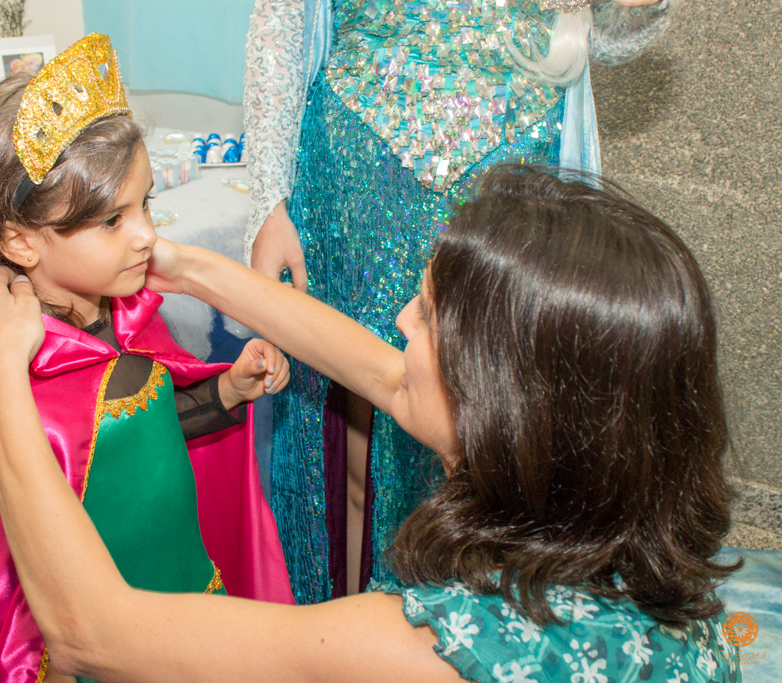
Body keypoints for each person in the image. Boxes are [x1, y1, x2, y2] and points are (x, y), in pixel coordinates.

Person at [0, 168, 742, 683]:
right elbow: (383, 373)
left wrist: (2, 380)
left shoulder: (435, 647)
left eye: (428, 316)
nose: (399, 319)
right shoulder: (621, 530)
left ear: (504, 400)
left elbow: (93, 633)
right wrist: (183, 266)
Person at [243, 0, 677, 601]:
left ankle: (474, 638)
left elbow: (616, 36)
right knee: (349, 445)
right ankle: (341, 638)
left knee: (500, 436)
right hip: (359, 161)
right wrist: (268, 197)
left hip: (511, 166)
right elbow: (281, 21)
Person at [0, 35, 293, 683]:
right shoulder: (20, 390)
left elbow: (141, 431)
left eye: (147, 205)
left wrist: (225, 393)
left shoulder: (122, 321)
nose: (147, 235)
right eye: (113, 220)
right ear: (20, 239)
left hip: (185, 608)